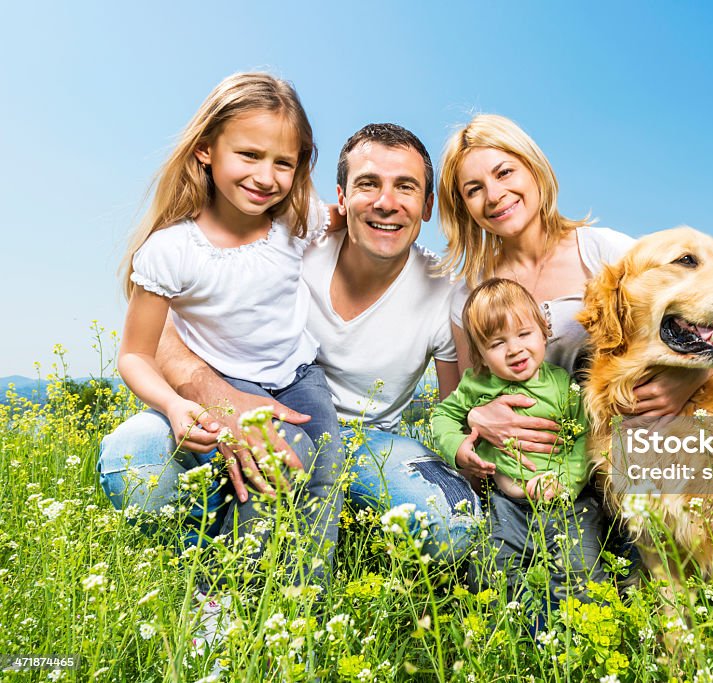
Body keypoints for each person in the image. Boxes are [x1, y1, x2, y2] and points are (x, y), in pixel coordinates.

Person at [98, 123, 481, 569]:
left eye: (406, 187)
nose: (386, 203)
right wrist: (218, 398)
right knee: (136, 460)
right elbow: (159, 325)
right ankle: (213, 573)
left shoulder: (446, 291)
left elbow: (454, 407)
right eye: (368, 184)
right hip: (236, 406)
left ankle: (309, 560)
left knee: (453, 519)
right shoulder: (290, 239)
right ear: (341, 197)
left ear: (428, 205)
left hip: (364, 443)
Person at [114, 72, 343, 591]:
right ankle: (225, 601)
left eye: (283, 162)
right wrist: (176, 406)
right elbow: (133, 356)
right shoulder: (172, 252)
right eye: (249, 155)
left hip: (299, 375)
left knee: (328, 468)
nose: (267, 176)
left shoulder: (295, 218)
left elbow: (336, 218)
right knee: (273, 467)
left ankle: (305, 600)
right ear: (205, 151)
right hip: (229, 381)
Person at [436, 113, 710, 478]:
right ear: (463, 207)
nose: (494, 195)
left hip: (625, 458)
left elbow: (705, 319)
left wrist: (689, 379)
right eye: (474, 189)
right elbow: (466, 397)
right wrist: (475, 417)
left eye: (504, 173)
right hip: (532, 477)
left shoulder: (605, 253)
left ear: (534, 169)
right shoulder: (468, 295)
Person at [431, 279, 607, 605]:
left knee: (580, 569)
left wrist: (564, 482)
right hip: (505, 503)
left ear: (544, 331)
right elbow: (442, 417)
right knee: (489, 569)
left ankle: (580, 635)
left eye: (524, 334)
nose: (514, 349)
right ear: (480, 355)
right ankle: (508, 634)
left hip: (568, 504)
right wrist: (458, 448)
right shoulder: (477, 385)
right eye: (497, 343)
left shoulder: (564, 386)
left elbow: (585, 439)